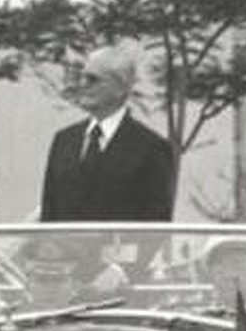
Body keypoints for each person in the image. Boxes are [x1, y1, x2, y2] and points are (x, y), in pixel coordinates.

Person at [40, 42, 175, 222]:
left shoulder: (150, 148)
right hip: (64, 250)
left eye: (92, 79)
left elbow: (155, 223)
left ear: (120, 88)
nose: (83, 84)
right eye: (81, 77)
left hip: (117, 248)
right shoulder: (64, 141)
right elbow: (49, 213)